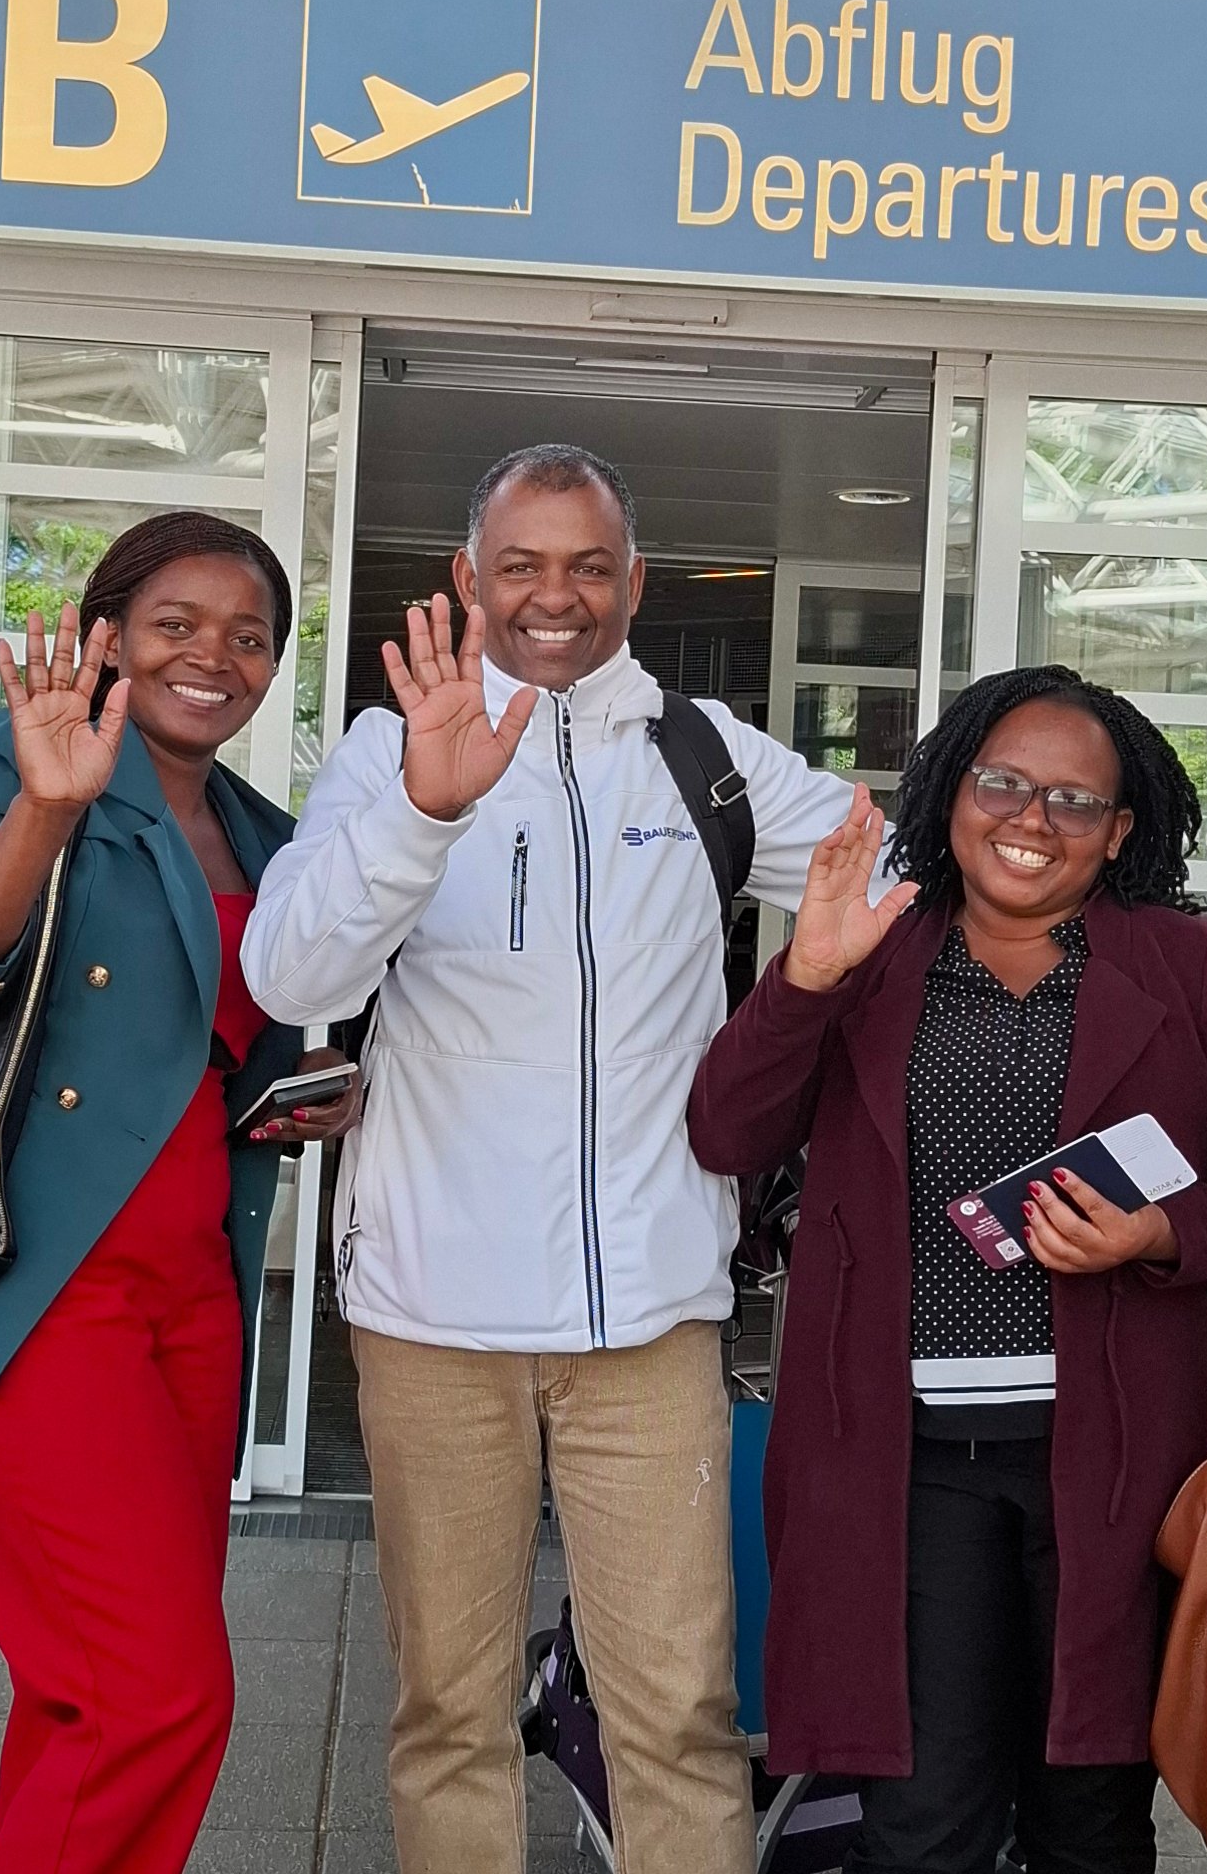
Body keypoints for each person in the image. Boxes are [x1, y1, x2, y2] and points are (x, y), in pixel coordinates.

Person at [240, 445, 855, 1874]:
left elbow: (908, 879)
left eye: (588, 565)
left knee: (680, 1714)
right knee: (449, 1713)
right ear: (469, 579)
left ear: (634, 582)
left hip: (648, 1322)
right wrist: (426, 809)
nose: (555, 596)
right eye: (520, 565)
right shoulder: (387, 755)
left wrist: (1165, 950)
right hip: (431, 1320)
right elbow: (287, 971)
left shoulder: (705, 756)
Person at [685, 664, 1207, 1874]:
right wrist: (804, 979)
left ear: (1122, 831)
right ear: (947, 794)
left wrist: (1163, 1233)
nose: (1032, 820)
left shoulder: (1188, 972)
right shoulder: (871, 956)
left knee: (1089, 1817)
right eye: (1002, 783)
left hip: (1116, 1467)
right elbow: (727, 1136)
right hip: (903, 1461)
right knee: (919, 1822)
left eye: (1074, 801)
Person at [0, 512, 361, 1874]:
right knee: (162, 1693)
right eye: (176, 626)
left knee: (88, 1686)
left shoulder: (269, 830)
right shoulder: (22, 764)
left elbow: (244, 1042)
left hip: (197, 1296)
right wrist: (45, 807)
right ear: (109, 635)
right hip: (45, 1290)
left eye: (249, 635)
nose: (216, 656)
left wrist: (325, 1087)